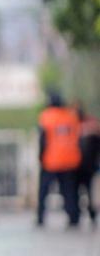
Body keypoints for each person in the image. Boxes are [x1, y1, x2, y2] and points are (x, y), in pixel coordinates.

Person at [37, 91, 82, 228]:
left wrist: (40, 156)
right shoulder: (71, 116)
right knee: (69, 191)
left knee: (44, 191)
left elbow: (42, 140)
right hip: (70, 160)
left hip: (51, 160)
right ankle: (73, 217)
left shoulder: (46, 116)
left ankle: (40, 217)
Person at [74, 101, 100, 226]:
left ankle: (77, 214)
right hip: (87, 165)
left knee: (78, 191)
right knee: (87, 191)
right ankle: (88, 214)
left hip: (78, 165)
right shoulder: (93, 124)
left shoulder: (73, 125)